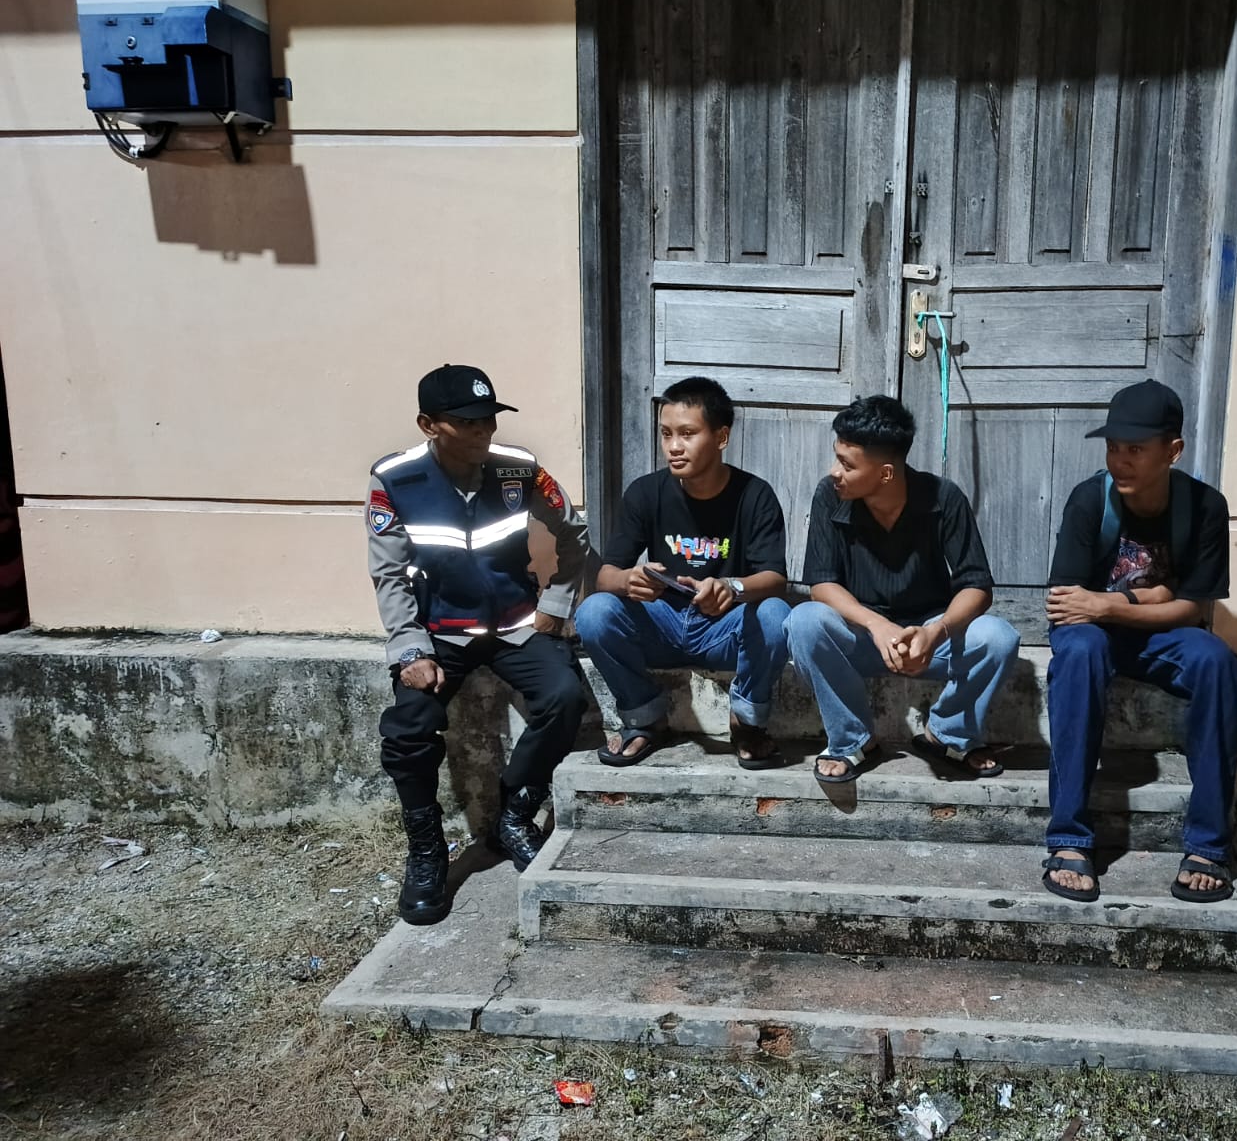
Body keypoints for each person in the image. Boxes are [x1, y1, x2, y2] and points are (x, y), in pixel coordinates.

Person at [367, 364, 590, 926]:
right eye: (466, 422)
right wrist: (410, 648)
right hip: (439, 633)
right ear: (429, 425)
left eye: (488, 418)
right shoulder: (396, 480)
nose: (483, 430)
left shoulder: (520, 469)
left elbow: (575, 534)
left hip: (515, 624)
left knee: (564, 695)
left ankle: (514, 816)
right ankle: (426, 852)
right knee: (409, 728)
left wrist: (556, 604)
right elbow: (389, 574)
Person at [1042, 378, 1237, 904]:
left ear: (1172, 451)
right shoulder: (1090, 500)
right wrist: (1149, 597)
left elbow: (1192, 608)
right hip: (1092, 637)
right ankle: (1068, 838)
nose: (1120, 461)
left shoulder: (1205, 506)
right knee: (1081, 651)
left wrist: (1113, 604)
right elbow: (1066, 604)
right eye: (1113, 448)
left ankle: (1208, 846)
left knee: (1217, 661)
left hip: (1160, 637)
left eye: (1135, 450)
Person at [784, 396, 1019, 784]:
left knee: (999, 637)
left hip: (926, 641)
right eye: (837, 458)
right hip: (860, 637)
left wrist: (935, 632)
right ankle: (852, 740)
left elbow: (976, 586)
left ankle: (947, 734)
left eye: (847, 464)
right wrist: (877, 626)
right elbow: (822, 585)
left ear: (886, 473)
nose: (834, 472)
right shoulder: (830, 494)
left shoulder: (944, 497)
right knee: (803, 622)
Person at [574, 377, 790, 768]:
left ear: (721, 437)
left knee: (776, 614)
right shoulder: (645, 492)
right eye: (666, 434)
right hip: (661, 624)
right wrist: (629, 580)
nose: (674, 446)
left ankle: (747, 722)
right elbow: (605, 576)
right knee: (594, 612)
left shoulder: (755, 495)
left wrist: (731, 587)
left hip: (723, 628)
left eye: (687, 434)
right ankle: (644, 719)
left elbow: (775, 579)